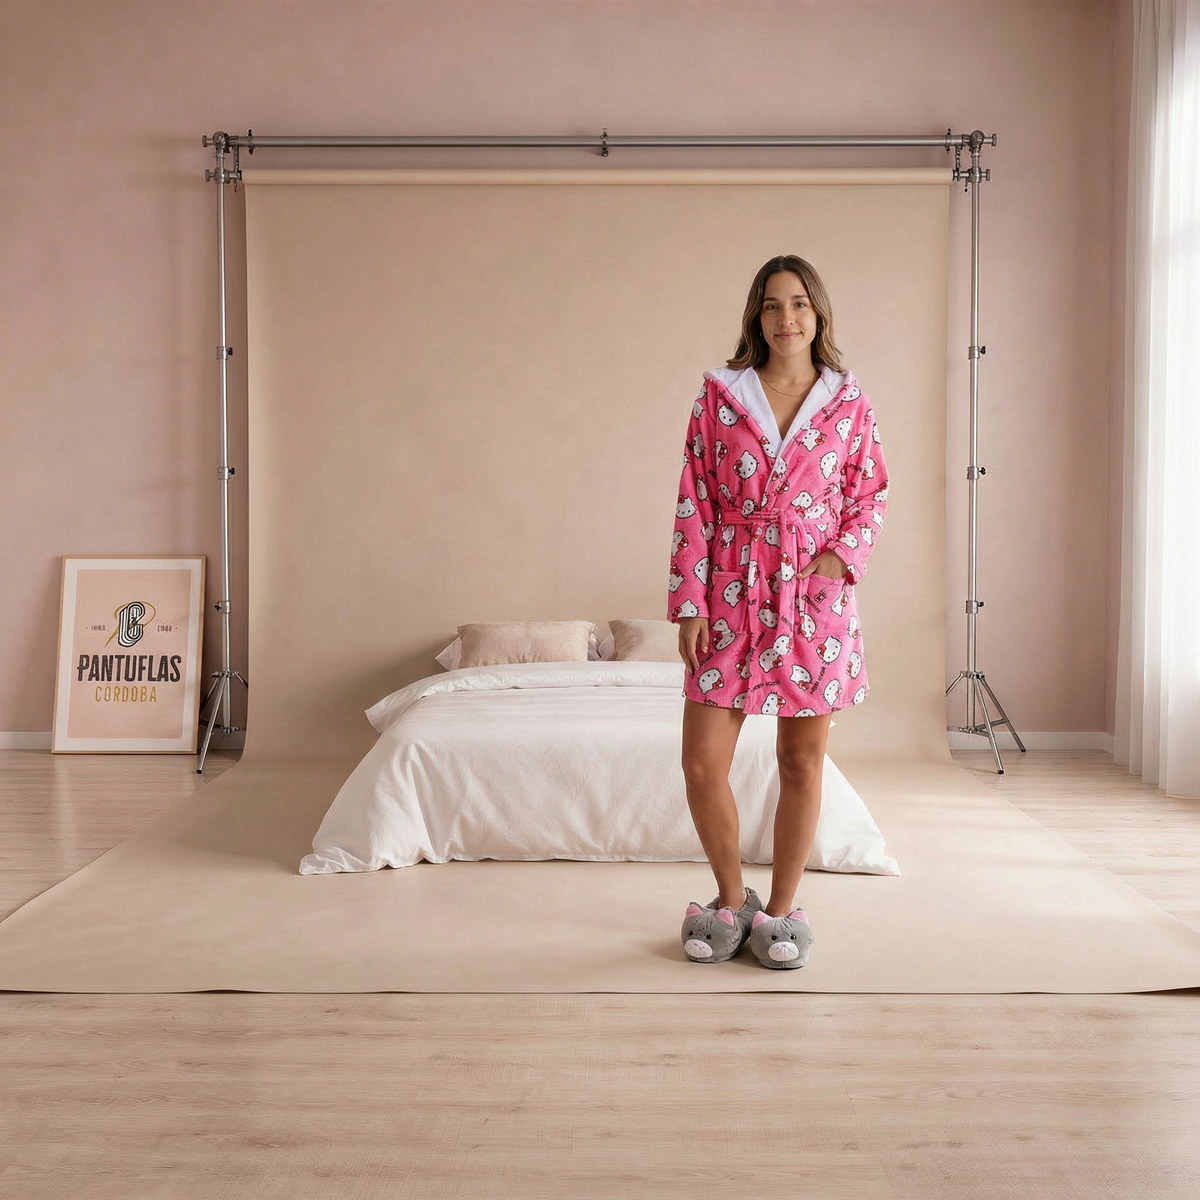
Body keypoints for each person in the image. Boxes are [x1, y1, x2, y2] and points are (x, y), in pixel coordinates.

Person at [667, 254, 889, 970]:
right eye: (771, 305)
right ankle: (733, 902)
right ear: (755, 317)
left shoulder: (848, 402)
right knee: (702, 763)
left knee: (800, 759)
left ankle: (784, 912)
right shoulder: (719, 397)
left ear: (817, 315)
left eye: (798, 304)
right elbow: (696, 499)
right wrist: (690, 603)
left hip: (811, 600)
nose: (785, 318)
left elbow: (870, 491)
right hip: (730, 591)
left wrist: (840, 559)